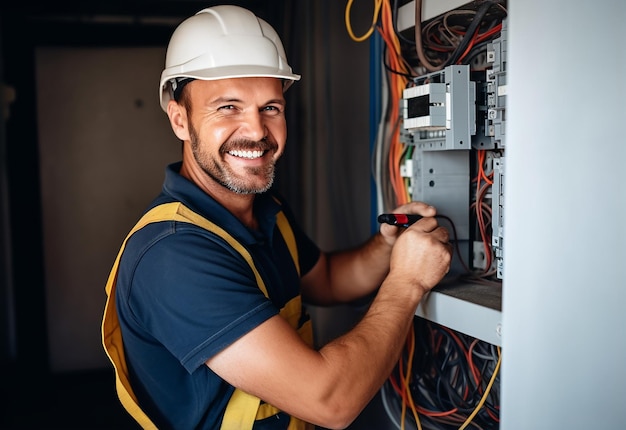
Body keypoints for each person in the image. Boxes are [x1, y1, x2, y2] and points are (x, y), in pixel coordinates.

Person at [101, 4, 452, 430]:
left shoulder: (265, 210)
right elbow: (331, 401)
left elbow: (327, 280)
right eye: (228, 107)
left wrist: (388, 246)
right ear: (180, 119)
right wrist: (408, 281)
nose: (256, 131)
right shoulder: (173, 254)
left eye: (271, 107)